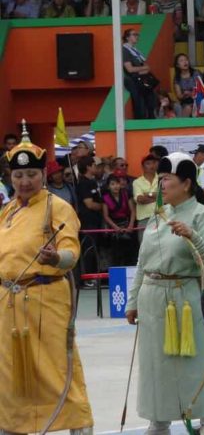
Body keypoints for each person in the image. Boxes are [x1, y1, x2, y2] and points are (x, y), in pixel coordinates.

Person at [0, 125, 94, 435]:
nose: (25, 182)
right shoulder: (6, 211)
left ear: (43, 175)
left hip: (46, 299)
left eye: (31, 175)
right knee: (10, 371)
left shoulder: (58, 207)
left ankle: (78, 426)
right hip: (8, 305)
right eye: (18, 176)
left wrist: (55, 258)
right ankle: (13, 426)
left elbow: (71, 251)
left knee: (56, 368)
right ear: (10, 178)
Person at [125, 153, 204, 435]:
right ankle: (159, 421)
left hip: (187, 295)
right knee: (157, 363)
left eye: (166, 179)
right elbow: (143, 264)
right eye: (160, 179)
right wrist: (132, 302)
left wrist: (193, 236)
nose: (161, 185)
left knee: (198, 358)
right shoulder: (159, 217)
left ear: (187, 183)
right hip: (153, 297)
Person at [101, 173, 137, 266]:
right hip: (114, 228)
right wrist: (115, 227)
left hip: (127, 224)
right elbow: (106, 216)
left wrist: (131, 225)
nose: (115, 186)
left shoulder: (126, 193)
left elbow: (133, 210)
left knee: (130, 254)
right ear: (108, 187)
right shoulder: (105, 198)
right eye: (112, 184)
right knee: (116, 255)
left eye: (117, 183)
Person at [122, 28, 158, 119]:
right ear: (127, 37)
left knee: (150, 100)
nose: (137, 37)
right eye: (134, 34)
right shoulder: (125, 50)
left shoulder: (135, 50)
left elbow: (145, 66)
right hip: (133, 80)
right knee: (139, 103)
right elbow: (130, 69)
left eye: (137, 35)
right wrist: (143, 68)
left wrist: (143, 68)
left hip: (141, 79)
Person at [133, 154, 159, 242]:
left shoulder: (162, 179)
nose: (152, 166)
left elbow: (166, 196)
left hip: (161, 216)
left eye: (154, 163)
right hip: (144, 219)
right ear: (143, 167)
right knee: (145, 246)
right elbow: (140, 200)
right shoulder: (137, 182)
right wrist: (157, 196)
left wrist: (148, 194)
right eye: (148, 163)